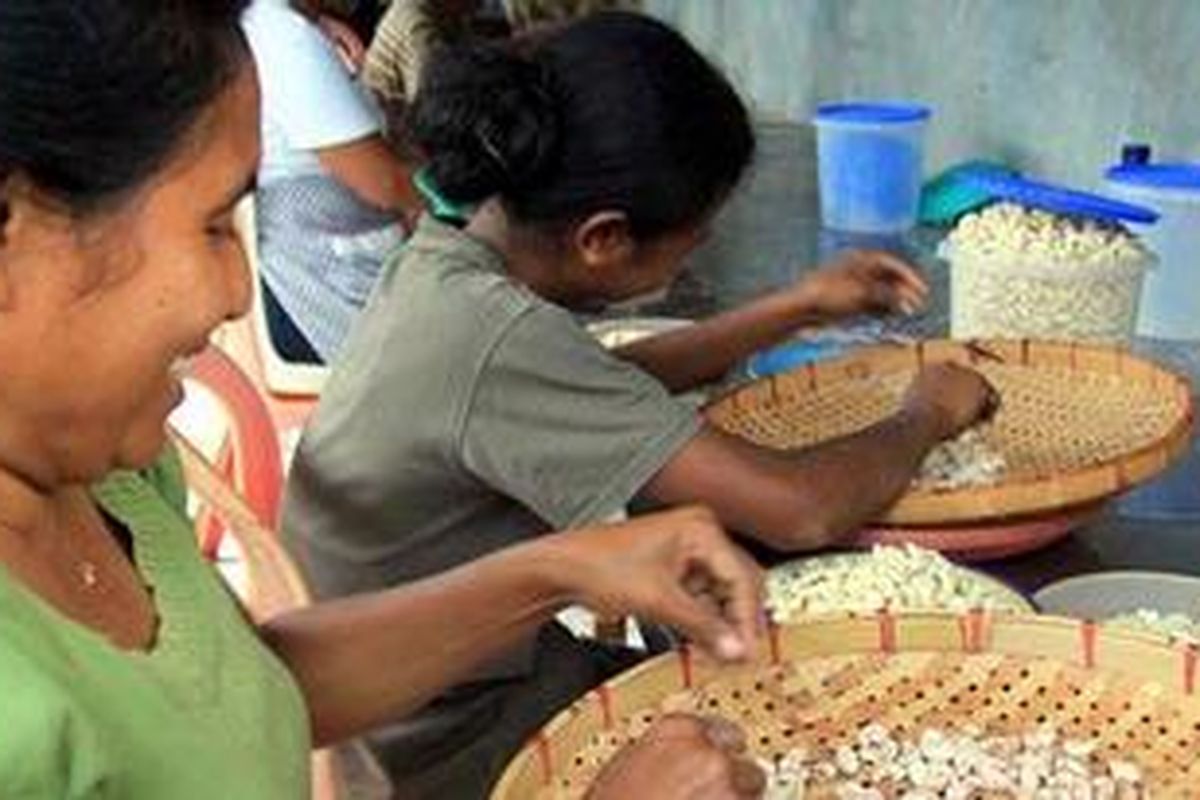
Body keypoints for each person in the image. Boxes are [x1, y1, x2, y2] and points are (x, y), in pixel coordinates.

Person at [0, 3, 767, 798]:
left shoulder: (107, 473)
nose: (237, 293)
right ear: (14, 231)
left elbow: (253, 693)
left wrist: (558, 571)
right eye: (212, 226)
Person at [282, 11, 997, 798]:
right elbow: (801, 511)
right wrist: (927, 407)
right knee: (840, 745)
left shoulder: (448, 263)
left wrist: (796, 306)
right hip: (437, 742)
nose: (695, 255)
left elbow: (600, 383)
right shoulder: (499, 334)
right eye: (692, 242)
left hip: (421, 688)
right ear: (603, 238)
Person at [241, 0, 424, 363]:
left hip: (338, 267)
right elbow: (384, 183)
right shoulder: (285, 35)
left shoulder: (289, 24)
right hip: (320, 287)